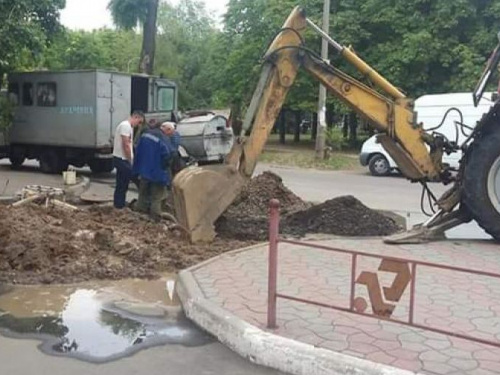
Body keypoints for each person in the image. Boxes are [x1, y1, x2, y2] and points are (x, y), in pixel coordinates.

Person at [132, 125, 172, 220]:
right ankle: (155, 219)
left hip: (144, 172)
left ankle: (139, 215)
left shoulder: (144, 136)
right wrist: (165, 167)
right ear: (166, 130)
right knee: (156, 197)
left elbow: (137, 151)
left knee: (142, 194)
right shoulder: (162, 139)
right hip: (157, 174)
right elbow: (167, 155)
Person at [112, 110, 144, 209]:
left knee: (122, 182)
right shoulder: (125, 126)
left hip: (121, 158)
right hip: (122, 159)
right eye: (139, 122)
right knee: (135, 178)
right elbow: (126, 144)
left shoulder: (128, 126)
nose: (138, 125)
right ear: (136, 117)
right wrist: (130, 160)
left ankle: (119, 204)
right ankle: (143, 202)